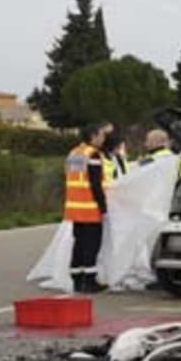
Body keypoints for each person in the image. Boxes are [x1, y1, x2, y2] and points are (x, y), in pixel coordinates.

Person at [64, 123, 110, 292]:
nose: (103, 139)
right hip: (90, 208)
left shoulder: (74, 153)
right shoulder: (93, 155)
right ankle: (90, 281)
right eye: (101, 135)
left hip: (75, 208)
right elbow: (95, 184)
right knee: (92, 245)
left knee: (79, 244)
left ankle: (77, 280)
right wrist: (104, 207)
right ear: (93, 136)